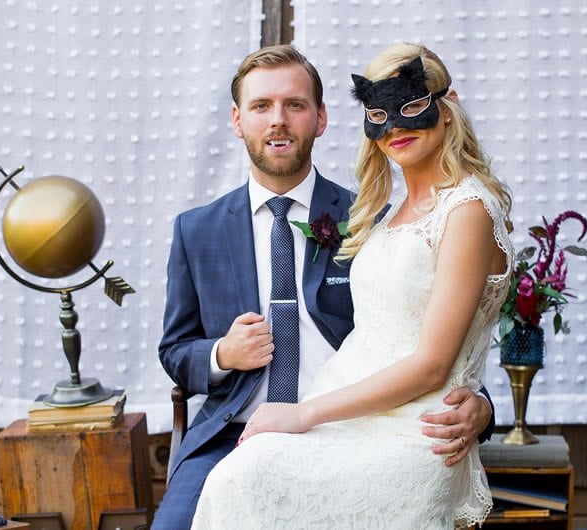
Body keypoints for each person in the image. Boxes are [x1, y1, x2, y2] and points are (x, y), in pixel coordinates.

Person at [155, 44, 497, 530]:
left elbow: (422, 326)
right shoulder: (197, 230)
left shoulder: (373, 218)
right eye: (261, 106)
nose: (278, 120)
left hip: (356, 426)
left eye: (294, 105)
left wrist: (481, 405)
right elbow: (175, 350)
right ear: (237, 120)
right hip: (234, 431)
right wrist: (221, 355)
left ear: (320, 118)